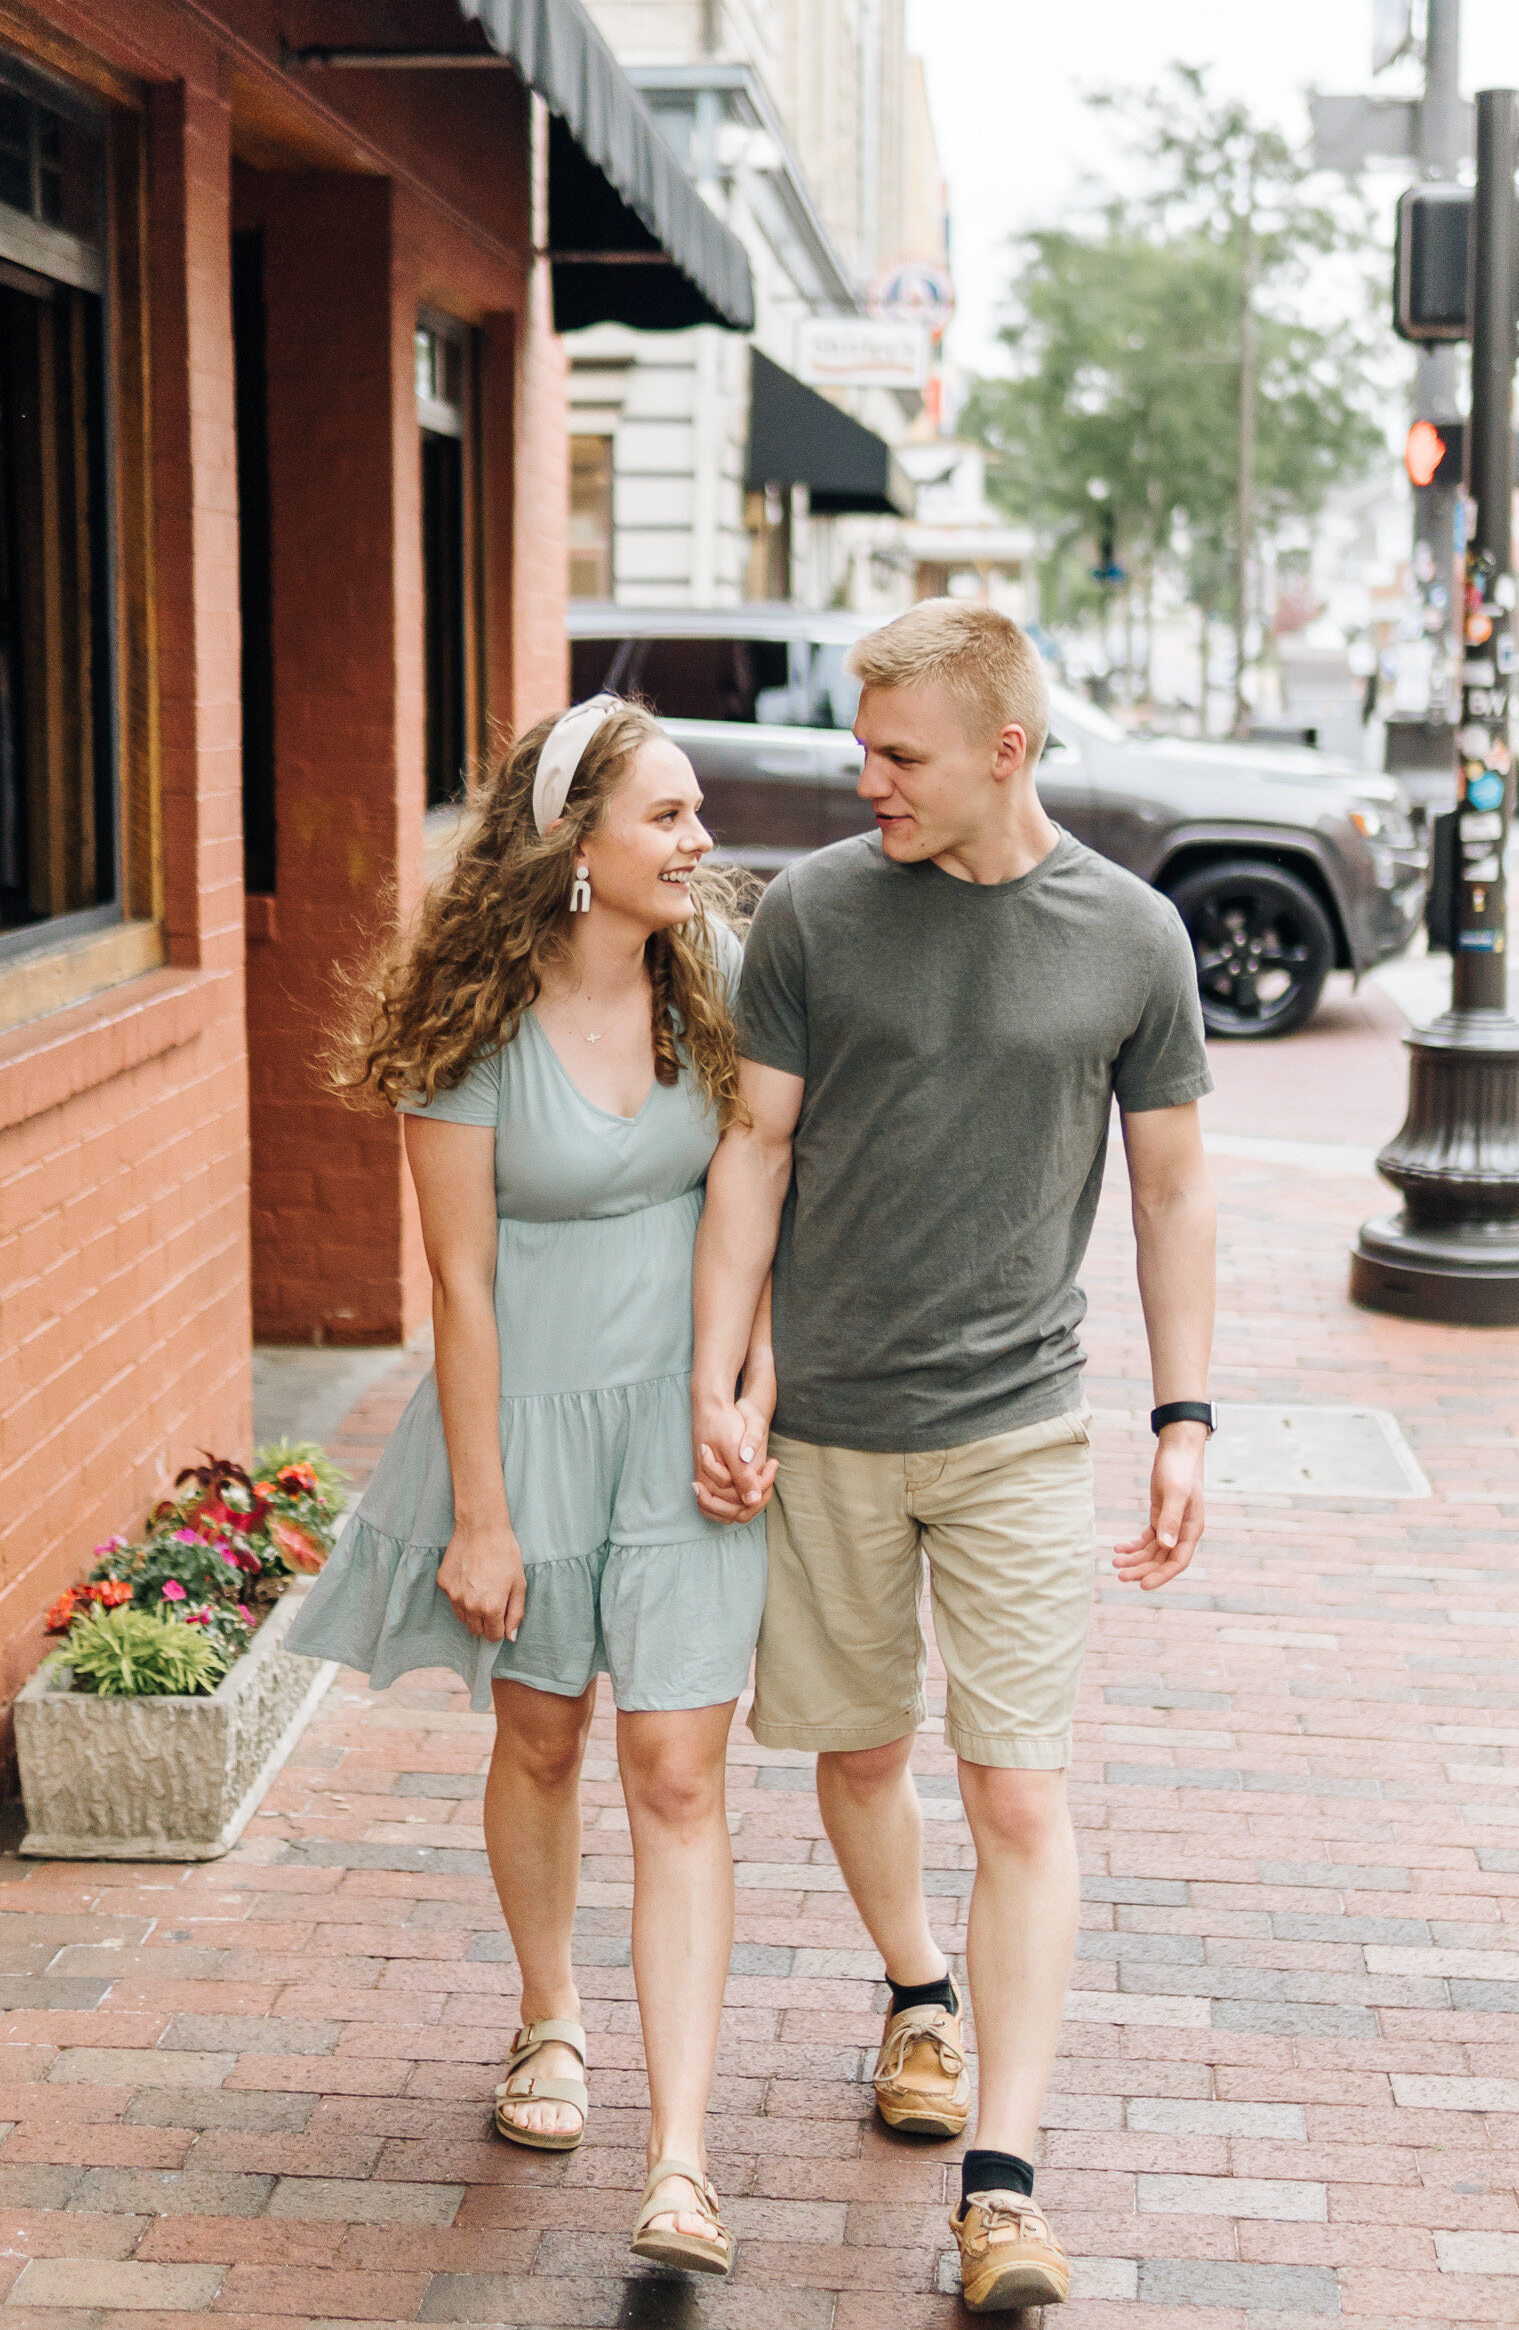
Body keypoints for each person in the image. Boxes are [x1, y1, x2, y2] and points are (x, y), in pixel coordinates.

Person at [690, 601, 1217, 2313]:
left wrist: (1184, 1414)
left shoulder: (1131, 939)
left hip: (1017, 1430)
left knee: (1018, 1788)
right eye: (862, 746)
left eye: (900, 754)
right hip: (832, 1422)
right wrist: (733, 1374)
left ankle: (1002, 2184)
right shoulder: (821, 914)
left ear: (1008, 751)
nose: (869, 781)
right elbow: (754, 1153)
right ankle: (916, 1991)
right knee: (855, 1758)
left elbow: (1173, 1190)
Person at [289, 700, 777, 2279]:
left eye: (696, 815)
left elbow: (762, 1204)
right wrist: (483, 1513)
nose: (700, 844)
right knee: (546, 1736)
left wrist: (748, 1386)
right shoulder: (468, 1032)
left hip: (683, 1432)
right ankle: (549, 2019)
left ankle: (683, 2159)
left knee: (681, 1779)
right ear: (578, 845)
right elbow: (461, 1288)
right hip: (529, 1429)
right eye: (670, 818)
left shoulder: (717, 993)